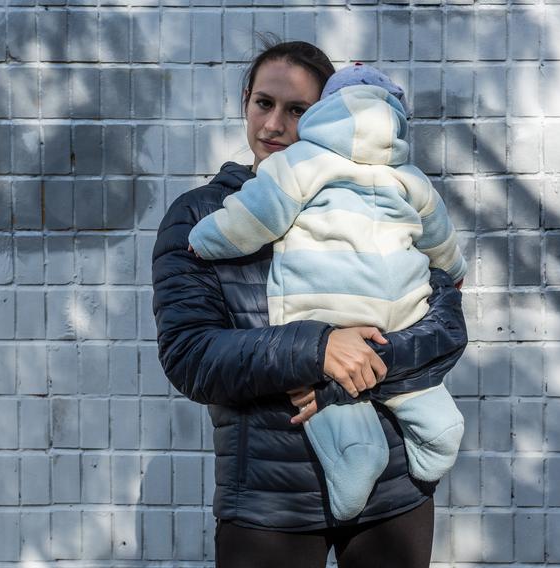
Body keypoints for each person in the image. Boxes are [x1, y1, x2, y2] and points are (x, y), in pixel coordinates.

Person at [152, 39, 467, 568]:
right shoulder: (203, 215)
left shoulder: (382, 197)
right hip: (270, 504)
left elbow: (444, 325)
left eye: (296, 110)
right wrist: (316, 348)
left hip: (390, 493)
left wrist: (358, 371)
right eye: (263, 103)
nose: (273, 125)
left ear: (330, 116)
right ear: (246, 102)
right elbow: (191, 355)